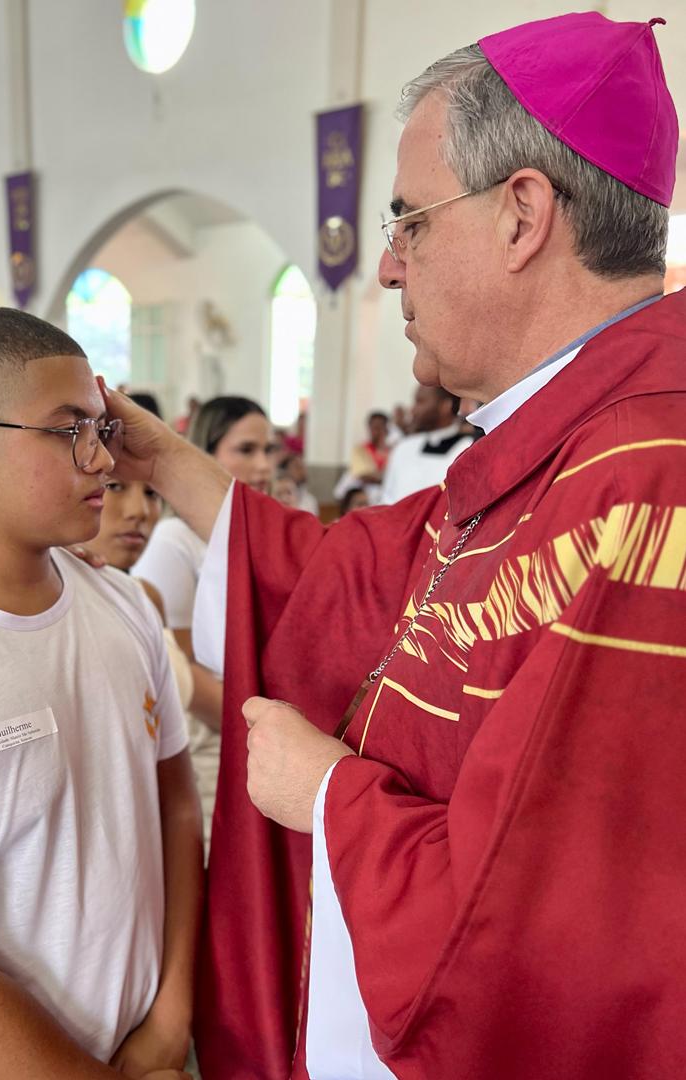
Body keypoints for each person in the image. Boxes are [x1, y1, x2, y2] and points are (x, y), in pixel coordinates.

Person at [97, 11, 686, 1079]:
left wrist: (328, 795)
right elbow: (361, 577)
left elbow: (564, 922)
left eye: (410, 221)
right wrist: (168, 461)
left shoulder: (647, 476)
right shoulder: (564, 440)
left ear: (522, 215)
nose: (386, 268)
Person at [0, 307, 200, 1080]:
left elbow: (177, 808)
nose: (104, 460)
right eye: (67, 431)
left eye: (102, 427)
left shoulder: (122, 604)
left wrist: (170, 1020)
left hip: (146, 1048)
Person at [131, 395, 276, 849]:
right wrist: (265, 724)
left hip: (260, 735)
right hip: (213, 740)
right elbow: (181, 670)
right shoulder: (176, 539)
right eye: (246, 450)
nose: (263, 466)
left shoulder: (260, 538)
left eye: (269, 451)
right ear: (204, 456)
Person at [380, 385, 474, 503]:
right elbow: (387, 499)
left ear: (445, 406)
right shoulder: (403, 447)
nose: (413, 410)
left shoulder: (467, 449)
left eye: (420, 402)